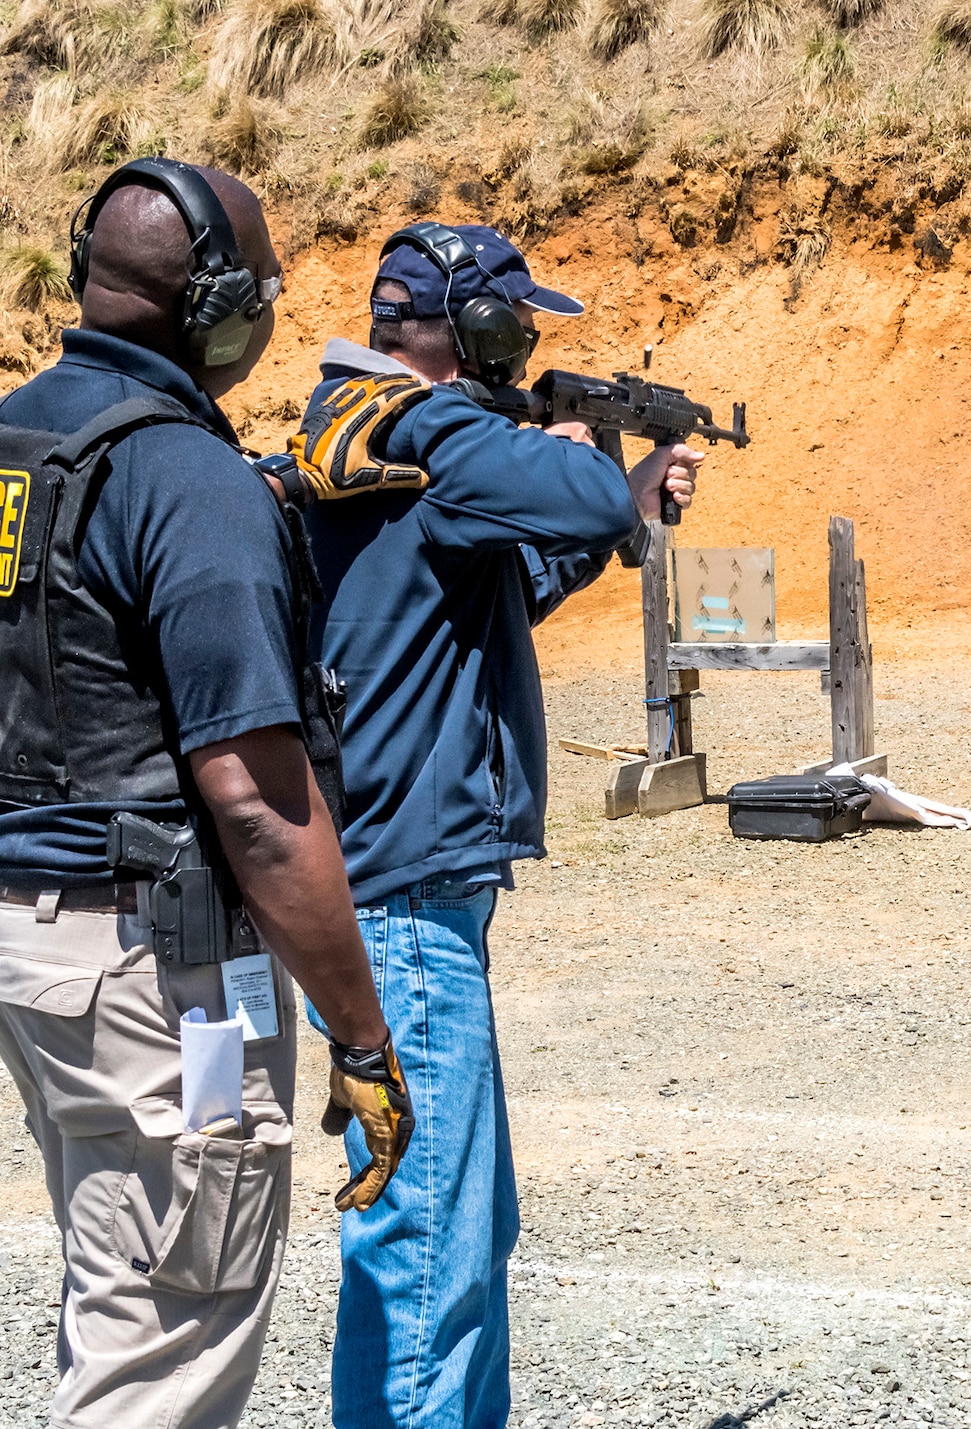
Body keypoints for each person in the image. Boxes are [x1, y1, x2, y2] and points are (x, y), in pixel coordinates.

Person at [0, 158, 410, 1428]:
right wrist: (361, 1033)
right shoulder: (188, 479)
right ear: (220, 304)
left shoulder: (18, 437)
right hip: (151, 970)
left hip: (41, 942)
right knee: (168, 1342)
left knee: (119, 1281)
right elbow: (251, 801)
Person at [288, 222, 699, 1428]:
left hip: (416, 891)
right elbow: (558, 489)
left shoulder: (390, 456)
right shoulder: (407, 425)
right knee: (429, 1255)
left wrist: (624, 513)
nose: (521, 349)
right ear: (456, 335)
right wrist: (585, 467)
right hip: (401, 897)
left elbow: (490, 585)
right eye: (510, 329)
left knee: (462, 1229)